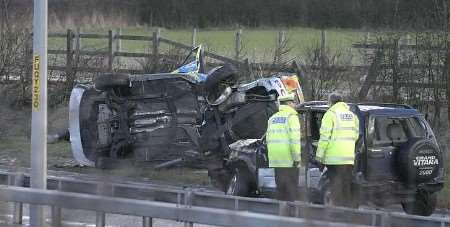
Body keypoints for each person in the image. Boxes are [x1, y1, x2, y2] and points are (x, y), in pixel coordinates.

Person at [315, 93, 359, 207]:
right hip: (348, 159)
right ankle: (348, 212)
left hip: (334, 159)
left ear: (331, 102)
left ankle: (337, 213)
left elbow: (324, 137)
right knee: (346, 186)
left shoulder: (330, 114)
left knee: (335, 186)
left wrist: (319, 157)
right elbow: (356, 135)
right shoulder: (352, 115)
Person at [266, 93, 301, 201]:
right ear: (289, 103)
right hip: (289, 160)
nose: (295, 105)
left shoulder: (272, 119)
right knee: (291, 193)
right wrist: (297, 159)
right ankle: (290, 216)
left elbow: (268, 139)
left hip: (276, 160)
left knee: (281, 192)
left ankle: (281, 215)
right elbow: (294, 141)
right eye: (293, 102)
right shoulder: (292, 117)